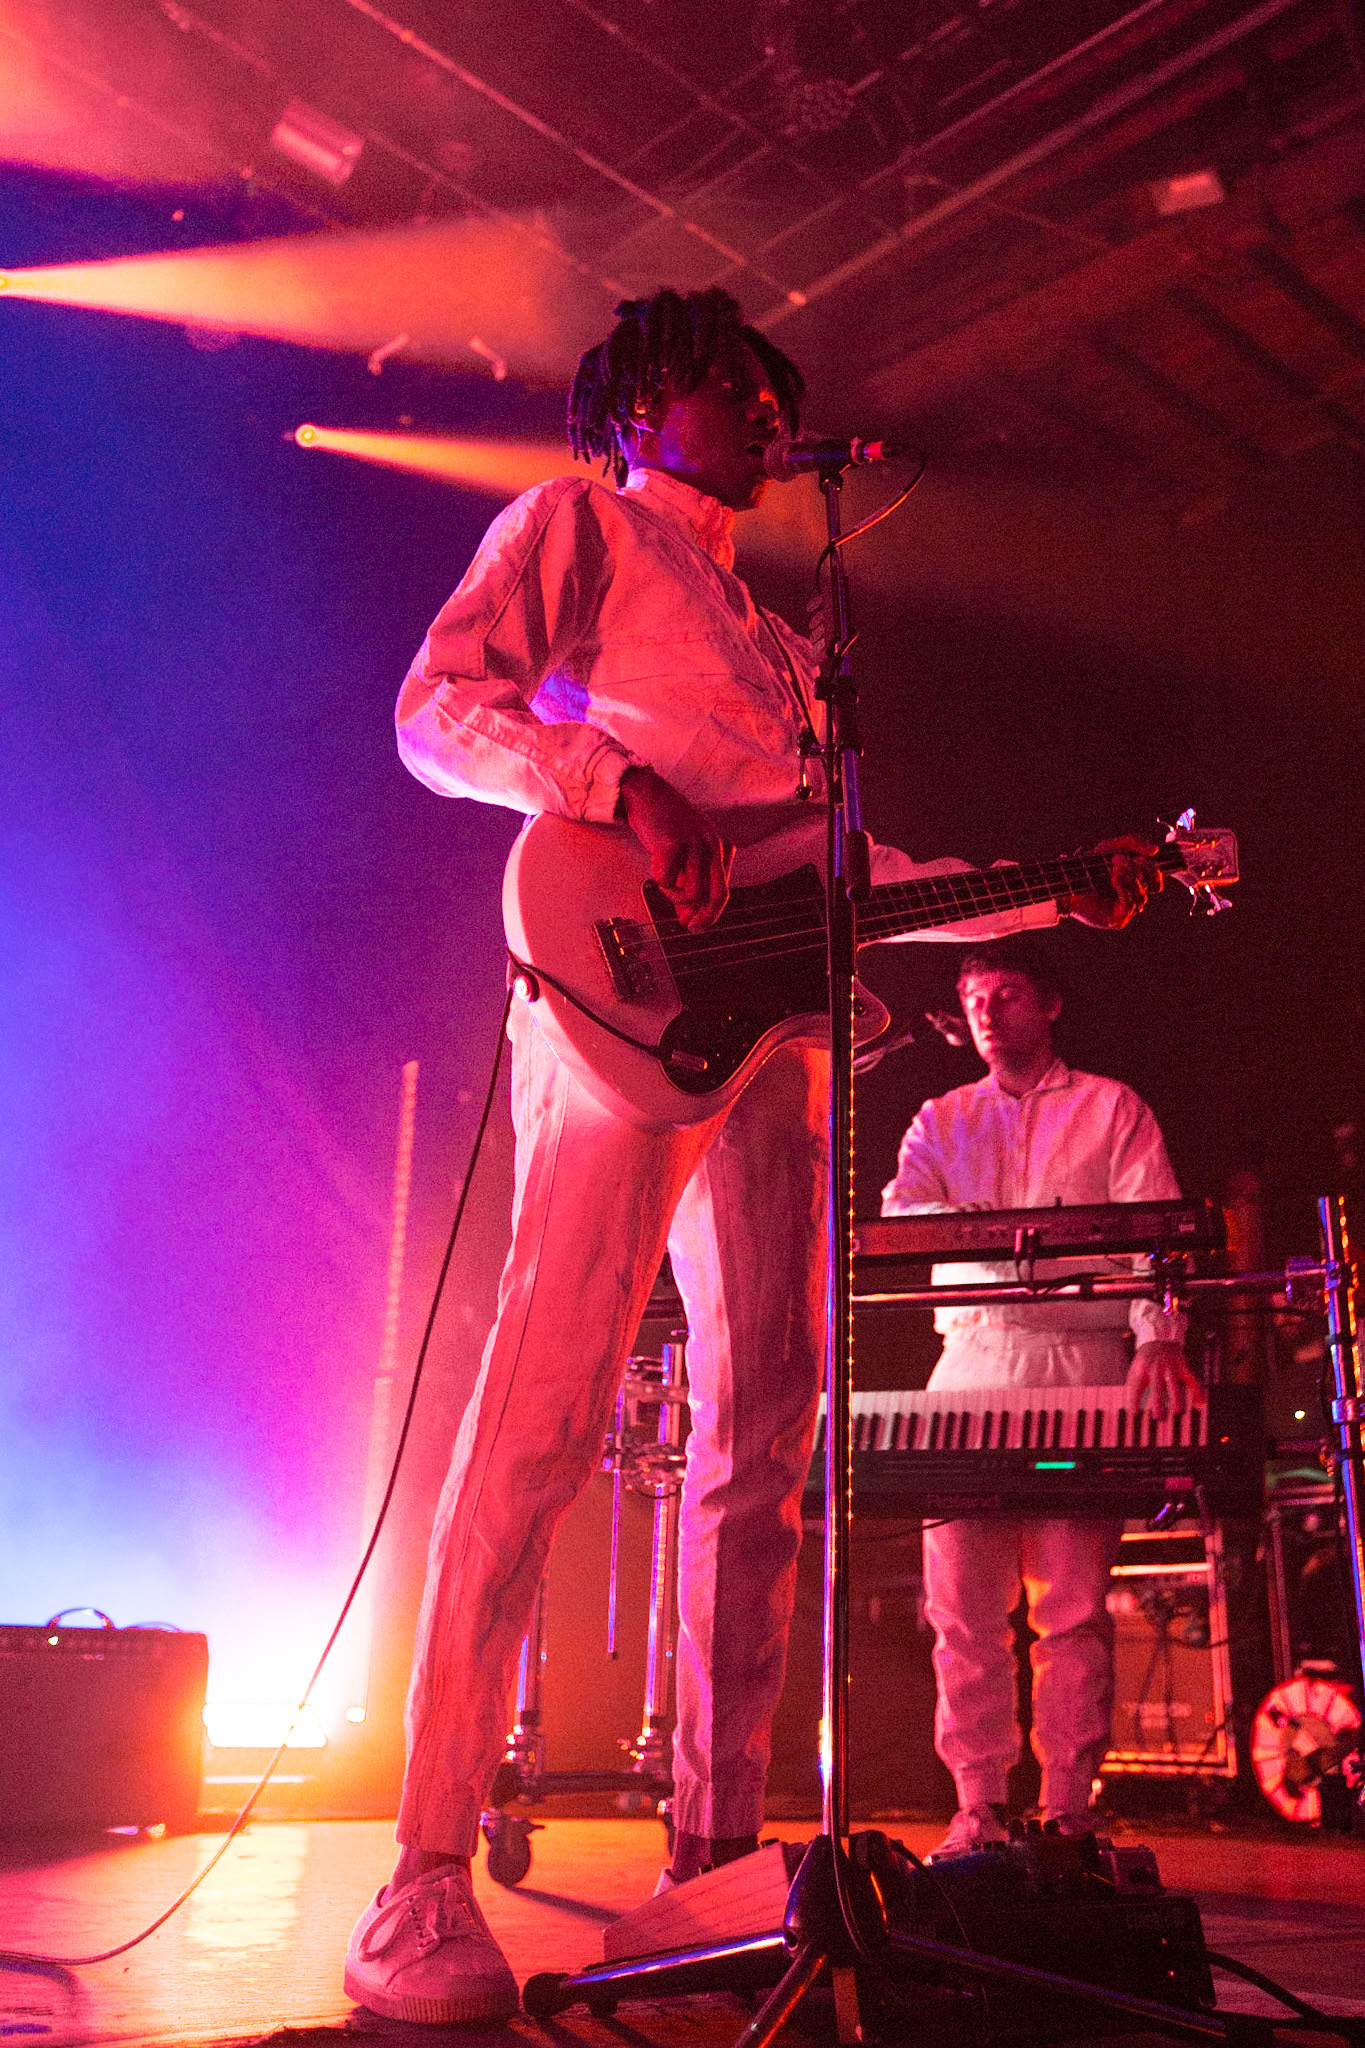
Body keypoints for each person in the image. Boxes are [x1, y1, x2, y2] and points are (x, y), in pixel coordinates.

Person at [343, 287, 1158, 2025]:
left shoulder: (789, 648)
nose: (766, 413)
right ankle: (418, 1873)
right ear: (641, 404)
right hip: (623, 999)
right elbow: (436, 707)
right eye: (727, 384)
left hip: (776, 1037)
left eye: (772, 391)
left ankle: (709, 1866)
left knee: (765, 1434)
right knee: (544, 1407)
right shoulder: (578, 525)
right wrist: (607, 786)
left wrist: (1053, 891)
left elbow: (852, 878)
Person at [880, 936, 1203, 1858]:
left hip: (1079, 1357)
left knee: (1071, 1609)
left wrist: (1160, 1337)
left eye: (1006, 994)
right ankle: (976, 1804)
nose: (986, 1013)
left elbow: (1155, 1229)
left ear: (1049, 1003)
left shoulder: (1110, 1107)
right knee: (961, 1612)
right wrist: (987, 1234)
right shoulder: (942, 1118)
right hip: (972, 1360)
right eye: (974, 999)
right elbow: (902, 1215)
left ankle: (1066, 1805)